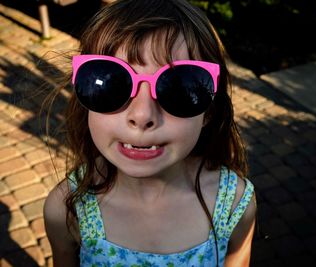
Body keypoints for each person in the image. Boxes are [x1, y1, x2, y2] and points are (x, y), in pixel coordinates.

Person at [43, 0, 256, 266]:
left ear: (209, 111)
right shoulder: (66, 209)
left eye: (179, 88)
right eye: (111, 83)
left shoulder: (234, 204)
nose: (142, 115)